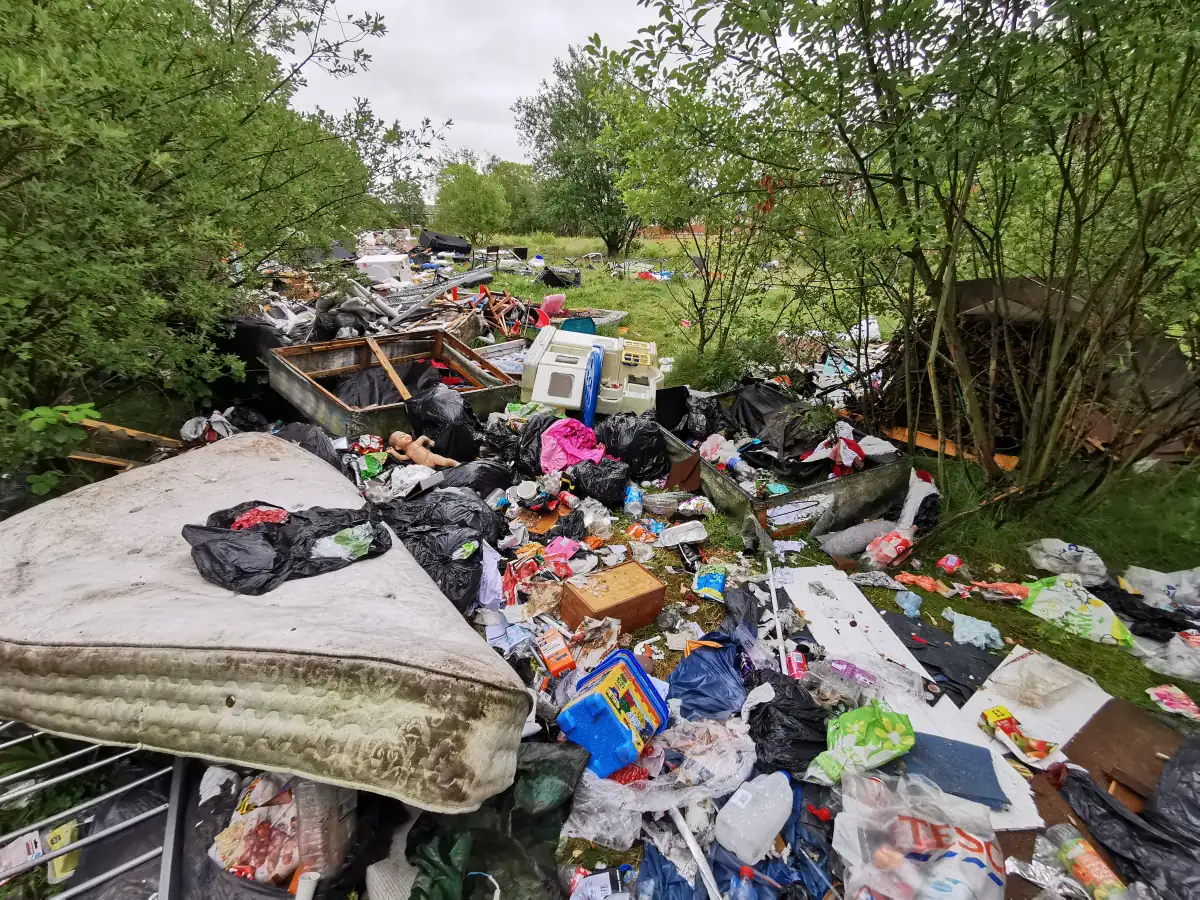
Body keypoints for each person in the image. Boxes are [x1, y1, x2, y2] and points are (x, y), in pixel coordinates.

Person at [386, 431, 459, 468]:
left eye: (404, 434)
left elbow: (423, 437)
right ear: (398, 447)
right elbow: (400, 457)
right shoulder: (408, 453)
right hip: (425, 467)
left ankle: (457, 464)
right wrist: (392, 451)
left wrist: (430, 441)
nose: (404, 436)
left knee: (445, 461)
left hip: (431, 458)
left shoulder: (415, 443)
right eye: (400, 437)